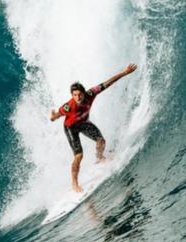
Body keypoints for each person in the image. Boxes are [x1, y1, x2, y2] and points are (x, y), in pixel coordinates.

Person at [50, 63, 137, 192]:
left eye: (79, 94)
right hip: (71, 128)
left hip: (84, 123)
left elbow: (107, 83)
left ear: (84, 93)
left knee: (101, 141)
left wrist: (124, 72)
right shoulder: (69, 106)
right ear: (72, 95)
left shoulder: (91, 93)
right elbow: (58, 115)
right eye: (74, 95)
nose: (78, 97)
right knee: (79, 156)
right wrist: (53, 116)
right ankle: (74, 184)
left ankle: (100, 157)